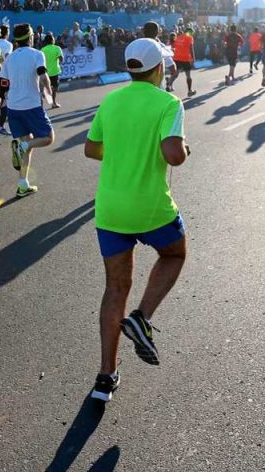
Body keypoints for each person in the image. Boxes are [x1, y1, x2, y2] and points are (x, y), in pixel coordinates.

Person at [84, 37, 189, 402]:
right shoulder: (168, 102)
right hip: (148, 207)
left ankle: (105, 377)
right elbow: (173, 155)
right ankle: (141, 318)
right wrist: (183, 149)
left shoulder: (111, 99)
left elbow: (92, 148)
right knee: (174, 254)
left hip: (110, 208)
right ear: (159, 69)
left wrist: (123, 154)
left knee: (115, 287)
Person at [1, 23, 54, 197]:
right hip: (31, 105)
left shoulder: (9, 58)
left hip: (13, 107)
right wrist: (49, 92)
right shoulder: (37, 54)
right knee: (48, 138)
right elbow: (43, 74)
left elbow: (3, 83)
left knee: (27, 147)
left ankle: (23, 184)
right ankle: (21, 145)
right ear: (30, 37)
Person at [40, 33, 64, 108]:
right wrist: (57, 59)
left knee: (44, 89)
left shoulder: (42, 50)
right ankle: (53, 103)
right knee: (55, 88)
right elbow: (61, 59)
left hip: (45, 73)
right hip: (54, 72)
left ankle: (42, 105)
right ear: (52, 40)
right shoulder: (57, 48)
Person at [171, 28, 196, 97]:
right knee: (188, 75)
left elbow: (174, 46)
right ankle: (189, 91)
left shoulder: (179, 37)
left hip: (177, 57)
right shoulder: (190, 38)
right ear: (190, 32)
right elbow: (191, 48)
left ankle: (169, 84)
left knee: (176, 72)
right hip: (185, 58)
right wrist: (193, 58)